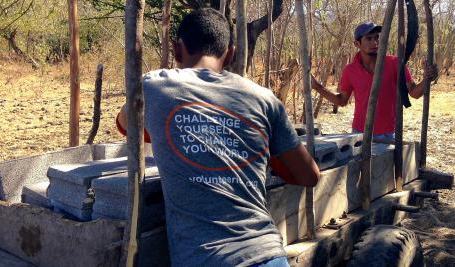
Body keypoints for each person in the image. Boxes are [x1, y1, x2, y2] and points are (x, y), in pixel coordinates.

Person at [116, 8, 320, 267]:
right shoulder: (264, 98)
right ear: (231, 53)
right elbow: (309, 176)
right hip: (268, 254)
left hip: (204, 259)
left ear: (177, 51)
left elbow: (125, 126)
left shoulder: (154, 87)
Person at [311, 22, 438, 142]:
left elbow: (414, 93)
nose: (375, 42)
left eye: (377, 38)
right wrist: (316, 86)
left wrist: (427, 78)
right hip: (360, 133)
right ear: (357, 43)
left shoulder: (395, 63)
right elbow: (342, 101)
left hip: (387, 134)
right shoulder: (350, 71)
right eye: (369, 38)